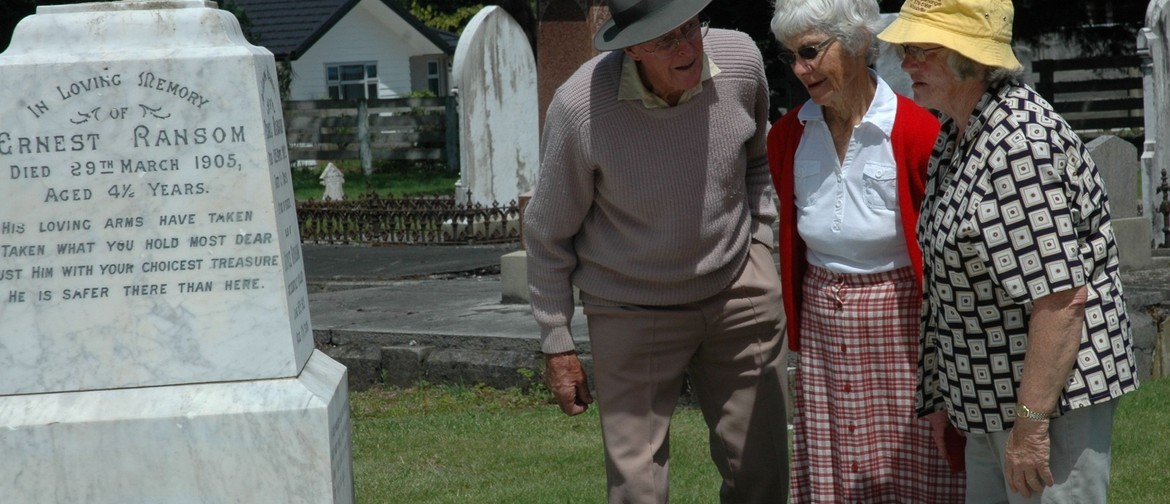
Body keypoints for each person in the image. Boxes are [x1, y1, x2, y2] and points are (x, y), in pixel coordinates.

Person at [523, 0, 789, 502]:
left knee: (762, 468)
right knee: (637, 487)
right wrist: (557, 343)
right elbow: (547, 232)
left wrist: (760, 246)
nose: (687, 48)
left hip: (737, 289)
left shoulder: (739, 61)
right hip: (630, 306)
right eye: (665, 40)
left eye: (690, 28)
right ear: (631, 49)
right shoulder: (582, 107)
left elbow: (757, 163)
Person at [877, 0, 1141, 502]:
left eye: (921, 50)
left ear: (969, 59)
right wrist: (945, 397)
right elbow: (947, 284)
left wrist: (1031, 426)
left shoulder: (1017, 144)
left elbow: (1060, 301)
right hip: (989, 399)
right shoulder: (959, 134)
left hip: (1049, 403)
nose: (907, 63)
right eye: (906, 49)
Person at [766, 0, 966, 502]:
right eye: (791, 55)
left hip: (903, 321)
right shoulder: (788, 135)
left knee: (915, 460)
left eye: (810, 51)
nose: (799, 69)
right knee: (838, 461)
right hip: (823, 322)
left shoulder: (920, 131)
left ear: (856, 42)